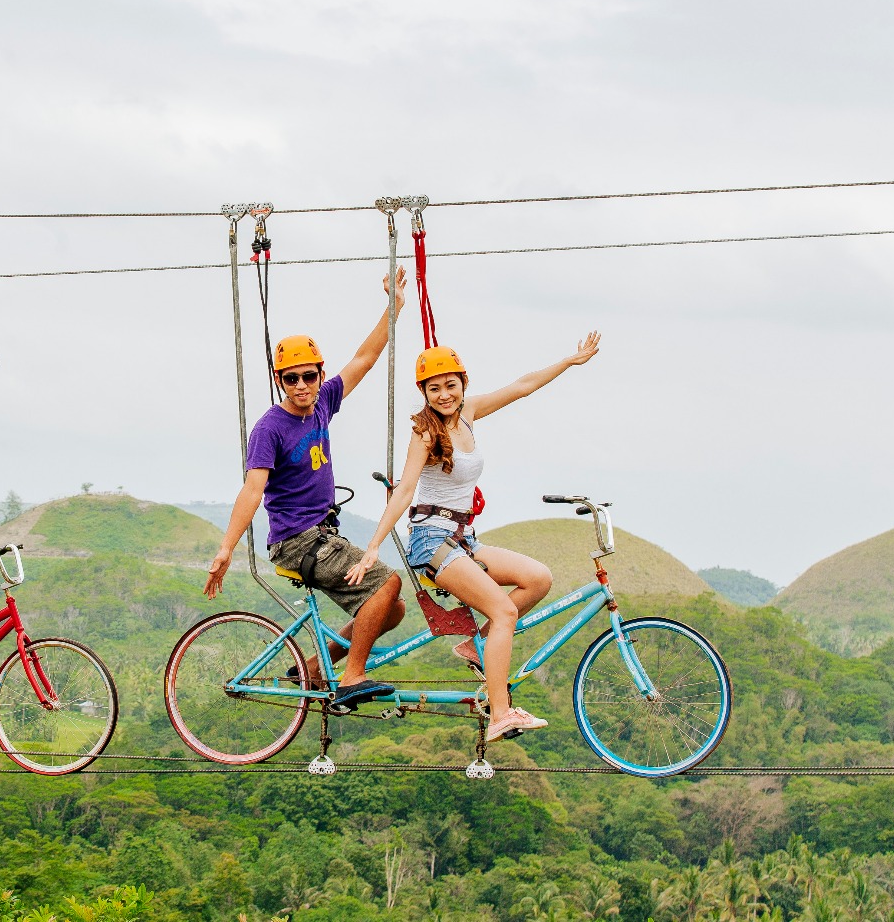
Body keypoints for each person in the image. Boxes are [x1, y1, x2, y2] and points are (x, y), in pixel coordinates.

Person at [358, 334, 601, 741]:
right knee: (505, 612)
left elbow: (522, 386)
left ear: (463, 384)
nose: (444, 395)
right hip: (432, 541)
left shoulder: (469, 411)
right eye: (434, 388)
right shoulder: (425, 432)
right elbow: (405, 490)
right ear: (424, 393)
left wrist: (569, 361)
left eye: (450, 385)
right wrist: (373, 545)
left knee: (538, 578)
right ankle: (501, 714)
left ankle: (476, 646)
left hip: (464, 538)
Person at [205, 271, 409, 712]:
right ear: (280, 380)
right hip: (297, 541)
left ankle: (314, 667)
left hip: (322, 535)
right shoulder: (270, 428)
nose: (301, 386)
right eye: (291, 379)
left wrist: (393, 307)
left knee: (392, 609)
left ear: (320, 375)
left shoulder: (323, 403)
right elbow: (252, 491)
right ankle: (352, 678)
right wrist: (226, 548)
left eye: (308, 376)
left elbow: (365, 358)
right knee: (388, 582)